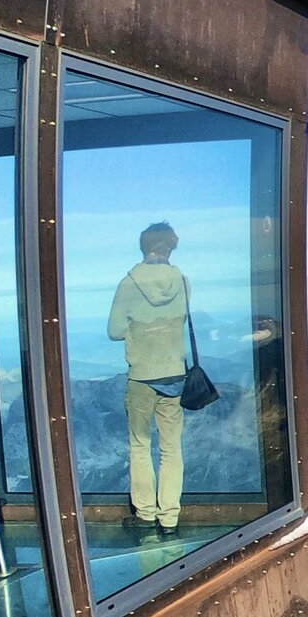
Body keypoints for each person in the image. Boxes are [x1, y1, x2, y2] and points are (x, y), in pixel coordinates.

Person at [107, 222, 190, 534]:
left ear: (144, 246)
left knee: (140, 446)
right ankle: (170, 518)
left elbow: (114, 331)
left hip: (142, 375)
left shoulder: (128, 284)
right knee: (172, 449)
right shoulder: (182, 281)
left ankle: (145, 514)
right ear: (171, 246)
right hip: (175, 374)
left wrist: (138, 332)